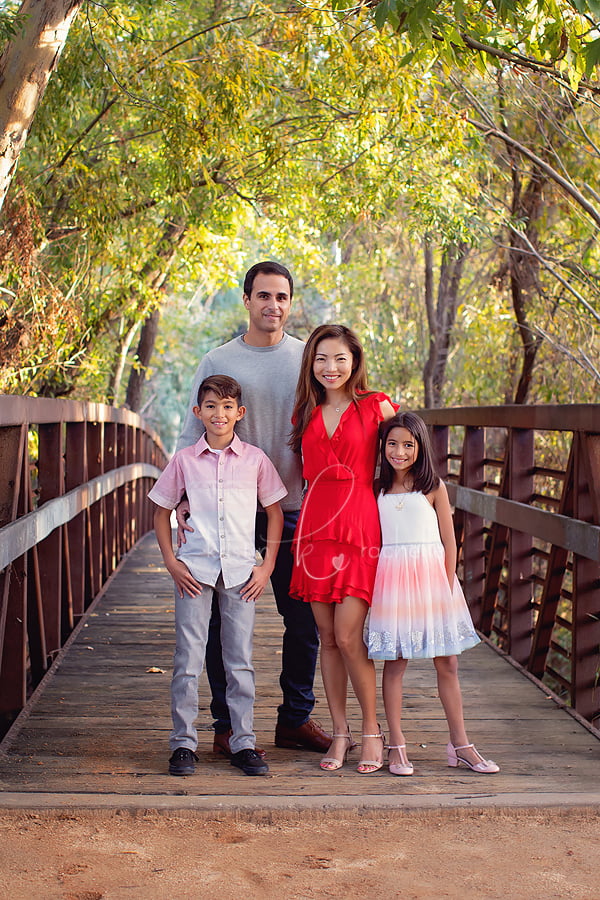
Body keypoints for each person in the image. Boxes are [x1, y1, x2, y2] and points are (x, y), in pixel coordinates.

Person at [176, 261, 330, 755]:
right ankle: (225, 726)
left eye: (282, 297)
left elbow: (342, 410)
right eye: (263, 296)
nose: (273, 305)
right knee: (222, 623)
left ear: (290, 302)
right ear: (247, 300)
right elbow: (190, 430)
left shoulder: (309, 358)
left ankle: (295, 718)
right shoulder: (218, 359)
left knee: (303, 619)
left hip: (295, 506)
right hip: (228, 513)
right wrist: (181, 495)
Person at [149, 375, 287, 777]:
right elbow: (161, 510)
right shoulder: (185, 461)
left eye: (227, 406)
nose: (219, 414)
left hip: (243, 572)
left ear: (239, 413)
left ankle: (243, 742)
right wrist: (171, 562)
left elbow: (274, 511)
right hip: (194, 569)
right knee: (188, 658)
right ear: (198, 412)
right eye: (210, 406)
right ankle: (183, 744)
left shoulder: (256, 460)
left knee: (239, 659)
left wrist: (267, 566)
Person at [366, 411, 499, 776]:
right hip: (393, 580)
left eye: (408, 445)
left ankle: (461, 743)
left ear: (420, 447)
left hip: (433, 579)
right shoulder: (376, 488)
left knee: (448, 662)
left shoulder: (433, 486)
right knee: (396, 661)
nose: (399, 451)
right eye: (392, 444)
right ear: (383, 447)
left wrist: (445, 582)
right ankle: (396, 744)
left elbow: (449, 542)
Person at [289, 324, 396, 774]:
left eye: (339, 359)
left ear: (355, 361)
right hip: (314, 528)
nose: (330, 368)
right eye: (321, 359)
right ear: (310, 365)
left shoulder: (377, 406)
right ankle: (340, 733)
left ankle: (372, 732)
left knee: (350, 636)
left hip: (358, 524)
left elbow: (406, 459)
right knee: (327, 639)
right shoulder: (305, 413)